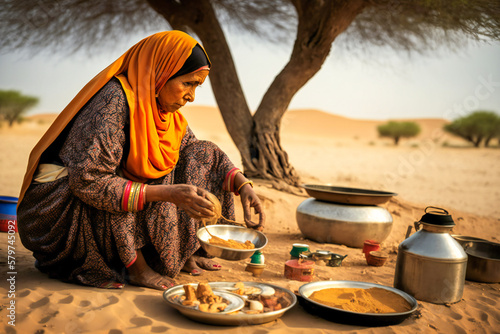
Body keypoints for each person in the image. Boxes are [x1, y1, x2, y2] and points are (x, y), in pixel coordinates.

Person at [17, 31, 265, 290]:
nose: (191, 96)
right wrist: (167, 193)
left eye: (196, 87)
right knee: (130, 176)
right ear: (161, 70)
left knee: (199, 153)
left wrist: (242, 184)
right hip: (63, 215)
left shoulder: (158, 107)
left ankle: (184, 250)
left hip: (96, 198)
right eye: (188, 84)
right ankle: (137, 268)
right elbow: (90, 181)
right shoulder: (114, 100)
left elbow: (195, 149)